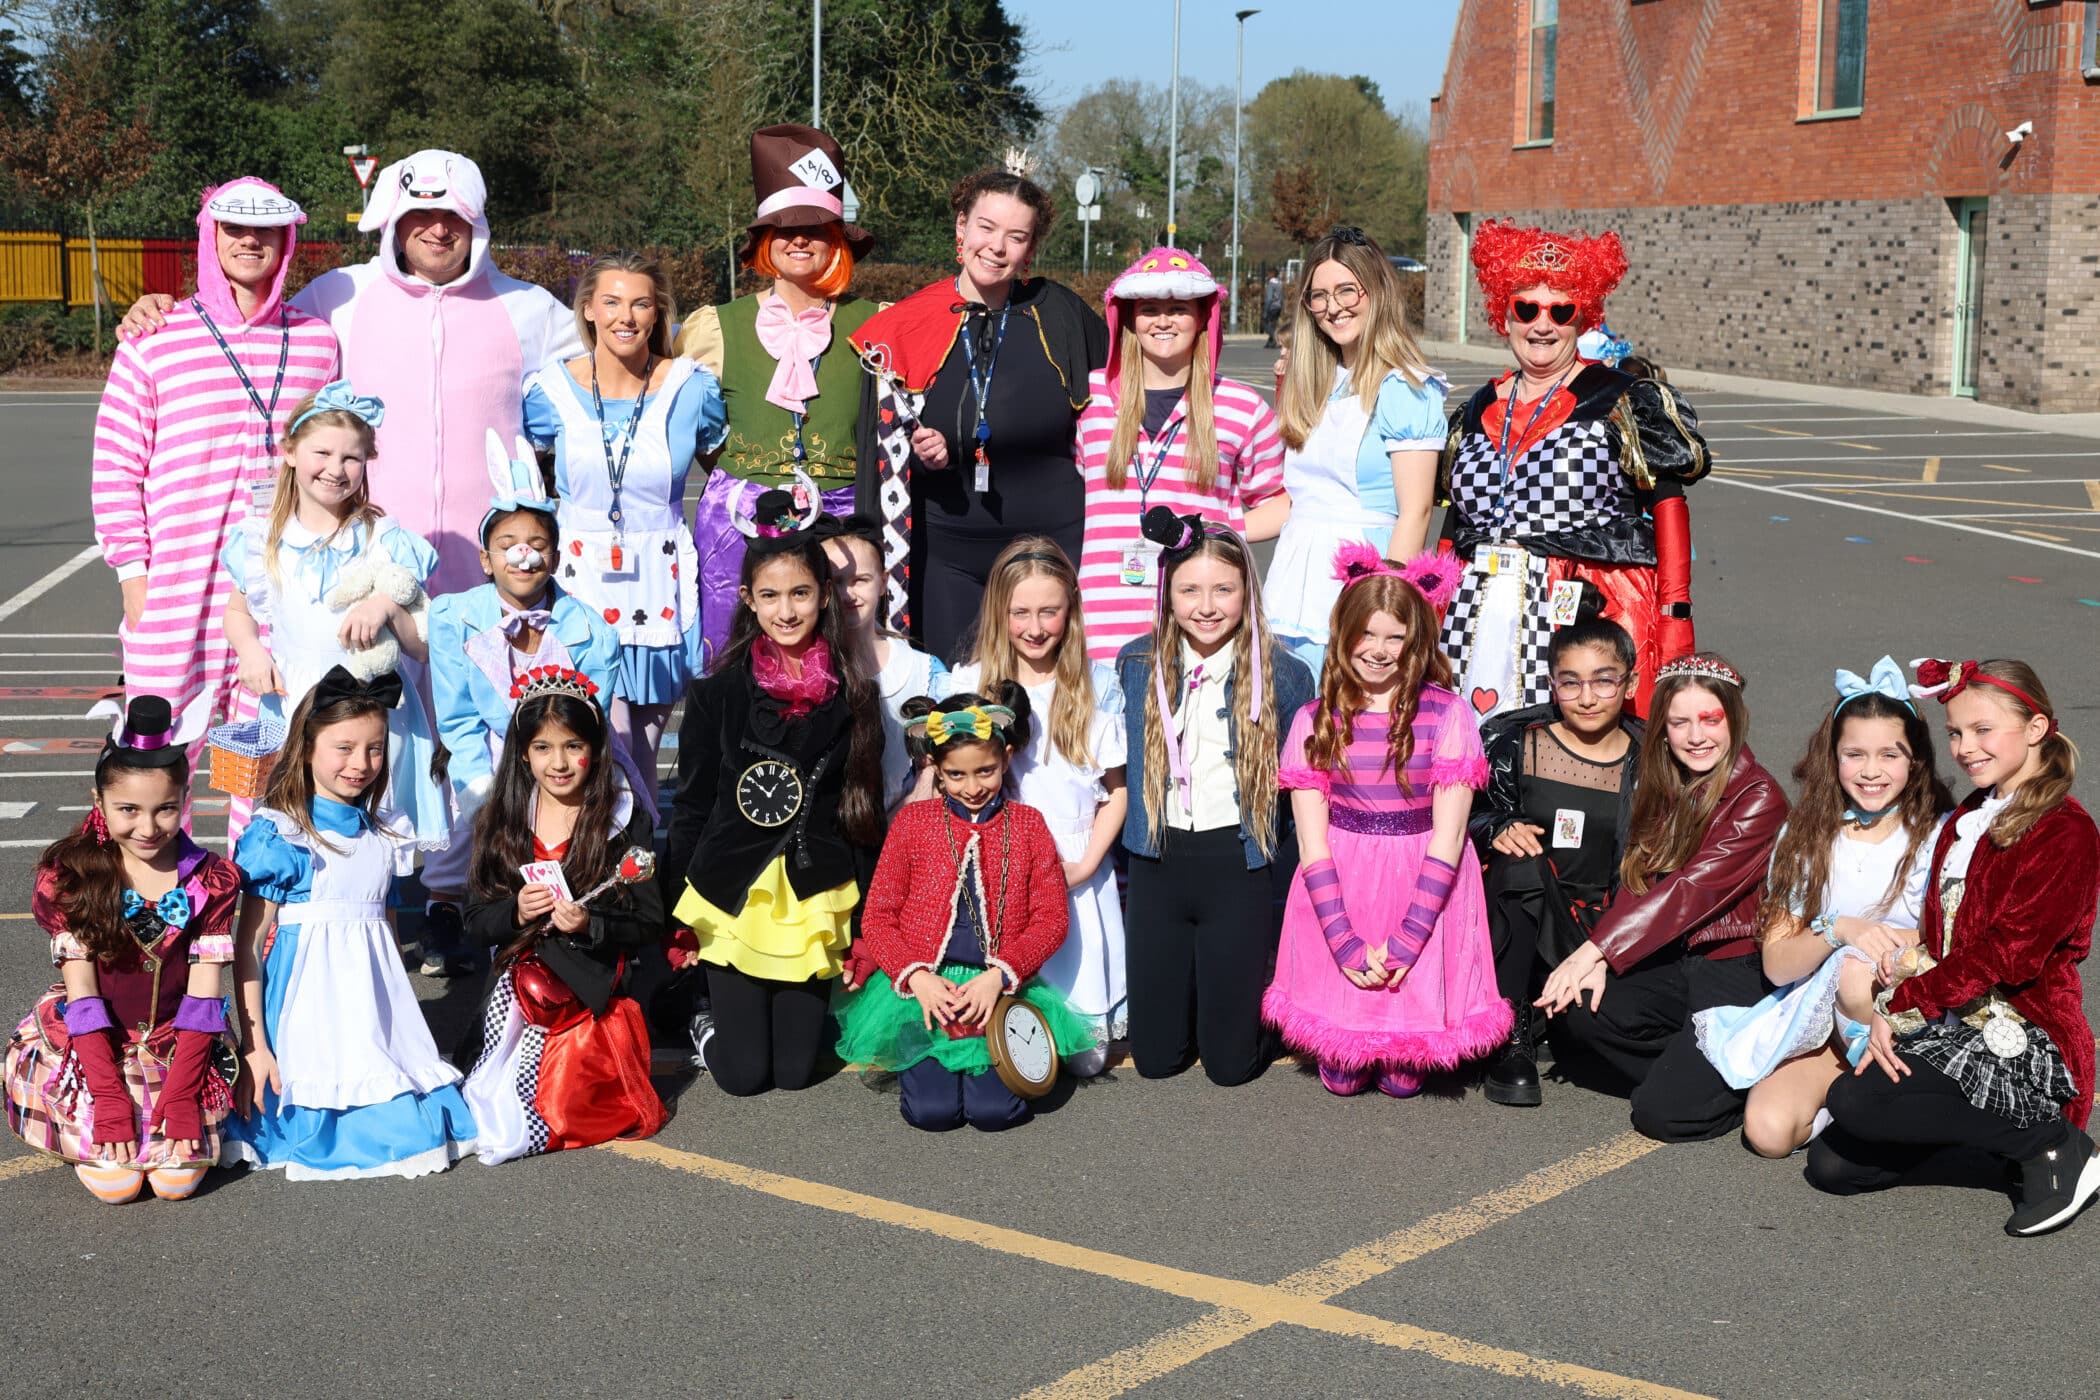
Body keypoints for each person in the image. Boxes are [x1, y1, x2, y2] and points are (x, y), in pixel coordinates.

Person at [122, 152, 583, 597]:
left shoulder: (528, 308)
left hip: (489, 567)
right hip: (367, 564)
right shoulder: (341, 294)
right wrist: (169, 310)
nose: (439, 229)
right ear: (395, 220)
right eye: (422, 212)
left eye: (454, 215)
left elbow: (618, 343)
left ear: (477, 224)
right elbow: (250, 330)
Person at [1811, 660, 2100, 1238]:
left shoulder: (2064, 830)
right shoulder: (1970, 815)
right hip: (1953, 1019)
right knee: (1833, 1166)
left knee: (1855, 1100)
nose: (1966, 749)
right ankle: (1990, 1146)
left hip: (2022, 1033)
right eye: (1956, 734)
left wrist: (1900, 1005)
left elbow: (2009, 954)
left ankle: (2055, 1145)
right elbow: (1945, 933)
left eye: (1983, 730)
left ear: (2037, 728)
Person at [92, 179, 337, 773]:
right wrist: (133, 574)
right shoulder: (156, 338)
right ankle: (133, 870)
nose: (251, 240)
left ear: (287, 240)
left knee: (257, 764)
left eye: (268, 231)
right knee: (154, 762)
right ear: (211, 235)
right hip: (178, 586)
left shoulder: (318, 342)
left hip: (277, 589)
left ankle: (245, 871)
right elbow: (116, 464)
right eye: (234, 228)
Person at [1437, 220, 1708, 724]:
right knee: (1467, 753)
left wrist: (1675, 618)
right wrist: (1431, 599)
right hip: (1476, 614)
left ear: (1581, 318)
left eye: (1561, 311)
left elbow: (1669, 505)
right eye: (1527, 308)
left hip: (1585, 610)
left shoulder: (1621, 399)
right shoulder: (1476, 407)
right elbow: (1455, 525)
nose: (1543, 324)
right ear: (1505, 315)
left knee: (1577, 760)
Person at [662, 490, 885, 1095]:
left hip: (815, 889)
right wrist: (675, 914)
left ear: (823, 597)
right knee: (744, 1075)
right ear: (747, 601)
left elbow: (860, 811)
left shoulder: (854, 695)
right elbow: (691, 806)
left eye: (800, 594)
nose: (786, 611)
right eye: (770, 596)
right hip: (734, 891)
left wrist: (865, 922)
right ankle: (707, 1019)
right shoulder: (718, 694)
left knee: (795, 1072)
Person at [1267, 545, 1508, 1098]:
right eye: (1366, 634)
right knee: (1344, 1081)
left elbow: (1448, 838)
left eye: (1394, 637)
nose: (1378, 650)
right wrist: (1344, 941)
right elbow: (1311, 843)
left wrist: (1406, 941)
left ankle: (1407, 1028)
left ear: (1417, 640)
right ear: (1343, 633)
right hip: (1344, 876)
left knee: (1403, 1080)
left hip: (1422, 871)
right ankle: (1345, 1017)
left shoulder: (1448, 714)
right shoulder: (1313, 720)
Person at [221, 668, 478, 1180]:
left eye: (375, 749)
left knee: (415, 1126)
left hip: (374, 1007)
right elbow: (246, 947)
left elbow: (382, 931)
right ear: (307, 747)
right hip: (305, 1008)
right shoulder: (280, 835)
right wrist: (255, 1046)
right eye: (344, 748)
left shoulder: (387, 831)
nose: (360, 764)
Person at [1695, 658, 1951, 1156]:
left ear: (1915, 760)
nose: (1871, 771)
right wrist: (1839, 931)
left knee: (1857, 974)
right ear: (1832, 757)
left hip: (1914, 1015)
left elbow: (1952, 939)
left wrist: (1885, 948)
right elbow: (1777, 962)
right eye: (1854, 754)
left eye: (1889, 755)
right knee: (1767, 1133)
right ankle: (1860, 1099)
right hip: (1823, 1019)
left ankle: (1896, 1096)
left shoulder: (1939, 835)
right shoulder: (1809, 835)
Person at [851, 169, 1109, 660]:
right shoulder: (903, 325)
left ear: (1030, 247)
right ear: (961, 228)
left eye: (1016, 236)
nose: (997, 247)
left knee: (1051, 706)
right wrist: (918, 456)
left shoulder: (1063, 315)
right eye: (986, 228)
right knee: (958, 712)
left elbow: (1126, 394)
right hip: (949, 558)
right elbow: (880, 463)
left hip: (1052, 554)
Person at [1536, 653, 1786, 1141]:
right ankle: (1698, 1063)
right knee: (1578, 1015)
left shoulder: (1759, 797)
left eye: (1710, 719)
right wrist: (1601, 964)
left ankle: (1746, 1077)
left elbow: (1688, 892)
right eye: (1679, 722)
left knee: (1662, 1114)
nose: (1696, 736)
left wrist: (1595, 950)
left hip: (1736, 968)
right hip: (1673, 958)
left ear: (1733, 718)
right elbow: (1640, 881)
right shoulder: (1666, 781)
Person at [5, 698, 237, 1203]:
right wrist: (109, 1099)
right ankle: (95, 1115)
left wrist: (180, 1096)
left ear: (184, 798)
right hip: (96, 1042)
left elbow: (204, 999)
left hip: (181, 1043)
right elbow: (83, 994)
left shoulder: (210, 879)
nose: (149, 828)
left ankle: (166, 1106)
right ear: (99, 801)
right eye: (128, 810)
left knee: (175, 1184)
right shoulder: (73, 878)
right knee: (118, 1186)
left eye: (166, 809)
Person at [1115, 508, 1316, 1086]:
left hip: (1238, 865)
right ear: (1166, 593)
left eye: (1223, 589)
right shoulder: (1136, 662)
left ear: (1246, 592)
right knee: (1155, 1061)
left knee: (1229, 1067)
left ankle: (1252, 1008)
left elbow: (1300, 782)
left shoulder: (1285, 672)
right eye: (1190, 590)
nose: (1206, 605)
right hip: (1159, 862)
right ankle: (1201, 997)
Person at [835, 688, 1092, 1130]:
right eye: (955, 775)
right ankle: (929, 1065)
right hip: (926, 990)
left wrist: (999, 976)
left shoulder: (1028, 827)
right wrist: (917, 978)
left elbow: (1051, 919)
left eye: (986, 771)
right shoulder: (914, 824)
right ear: (935, 768)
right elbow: (878, 915)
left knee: (995, 1113)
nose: (972, 787)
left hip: (996, 988)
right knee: (931, 1113)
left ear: (1007, 757)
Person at [524, 253, 726, 807]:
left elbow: (724, 473)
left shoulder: (690, 388)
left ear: (658, 311)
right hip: (579, 579)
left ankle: (636, 874)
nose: (626, 317)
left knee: (644, 750)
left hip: (659, 577)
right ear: (588, 310)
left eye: (640, 303)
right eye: (611, 302)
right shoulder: (549, 392)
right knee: (596, 739)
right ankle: (593, 866)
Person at [423, 434, 623, 977]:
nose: (523, 553)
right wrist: (485, 793)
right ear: (486, 558)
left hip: (566, 760)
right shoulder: (452, 618)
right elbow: (459, 719)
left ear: (555, 556)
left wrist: (556, 781)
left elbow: (591, 724)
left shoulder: (592, 633)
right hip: (486, 755)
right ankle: (486, 937)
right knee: (487, 831)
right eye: (508, 541)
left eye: (536, 542)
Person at [220, 382, 446, 852]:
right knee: (295, 835)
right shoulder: (261, 539)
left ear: (367, 462)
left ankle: (378, 923)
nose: (335, 469)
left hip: (372, 711)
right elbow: (238, 613)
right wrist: (251, 652)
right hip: (294, 702)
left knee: (374, 841)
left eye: (351, 458)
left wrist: (386, 606)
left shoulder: (383, 538)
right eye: (322, 452)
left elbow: (425, 648)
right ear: (289, 452)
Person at [684, 124, 878, 659]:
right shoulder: (716, 327)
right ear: (764, 239)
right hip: (738, 526)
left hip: (843, 522)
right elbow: (693, 425)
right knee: (736, 663)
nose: (799, 240)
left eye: (815, 228)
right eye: (783, 228)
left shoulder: (876, 323)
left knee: (842, 665)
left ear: (837, 237)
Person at [460, 671, 667, 1163]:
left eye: (573, 745)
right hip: (516, 993)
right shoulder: (502, 821)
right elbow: (474, 920)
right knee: (488, 1105)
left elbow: (649, 922)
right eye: (542, 748)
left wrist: (590, 925)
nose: (559, 763)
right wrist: (514, 912)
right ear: (523, 753)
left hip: (589, 995)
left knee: (557, 1109)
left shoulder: (622, 817)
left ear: (595, 748)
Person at [948, 539, 1128, 1073]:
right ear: (999, 613)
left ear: (1070, 607)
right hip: (1000, 864)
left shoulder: (1097, 684)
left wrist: (1089, 863)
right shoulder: (972, 683)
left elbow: (1115, 791)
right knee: (1004, 1033)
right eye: (1020, 612)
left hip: (1075, 862)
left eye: (1048, 611)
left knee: (1085, 1058)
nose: (1034, 627)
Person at [1469, 591, 1643, 1107]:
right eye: (1572, 682)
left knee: (1601, 1040)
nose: (1588, 697)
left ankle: (1561, 1015)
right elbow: (1465, 812)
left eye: (1604, 680)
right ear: (1553, 685)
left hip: (1599, 928)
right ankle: (1510, 1029)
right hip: (1522, 915)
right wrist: (1494, 826)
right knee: (1520, 859)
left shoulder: (1652, 758)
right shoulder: (1517, 745)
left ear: (1629, 683)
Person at [1075, 247, 1288, 663]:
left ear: (1202, 318)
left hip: (1198, 628)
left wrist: (1216, 530)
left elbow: (1282, 502)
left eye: (1178, 308)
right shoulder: (1088, 398)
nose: (1163, 320)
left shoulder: (1241, 407)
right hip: (1096, 627)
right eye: (1150, 308)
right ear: (1129, 319)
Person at [1264, 227, 1447, 676]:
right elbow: (1296, 503)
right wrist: (1216, 524)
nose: (1333, 306)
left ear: (1377, 291)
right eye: (1319, 295)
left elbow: (1416, 511)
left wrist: (1384, 612)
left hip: (1363, 587)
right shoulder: (1313, 382)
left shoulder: (1406, 388)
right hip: (1290, 585)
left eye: (1347, 289)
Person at [821, 514, 947, 811]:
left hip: (905, 829)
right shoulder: (811, 666)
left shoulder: (924, 671)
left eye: (860, 580)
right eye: (837, 582)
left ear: (883, 583)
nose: (848, 594)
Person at [1261, 272, 1283, 349]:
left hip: (1272, 307)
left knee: (1264, 324)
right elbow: (1281, 297)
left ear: (1271, 274)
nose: (1267, 275)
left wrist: (1265, 311)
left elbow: (1269, 298)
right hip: (1278, 306)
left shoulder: (1271, 284)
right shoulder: (1279, 283)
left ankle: (1275, 337)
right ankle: (1270, 343)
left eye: (1268, 274)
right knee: (1273, 325)